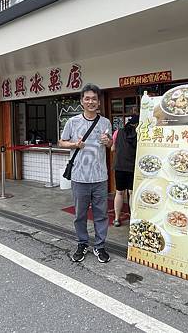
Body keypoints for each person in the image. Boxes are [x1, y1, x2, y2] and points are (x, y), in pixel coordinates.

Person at [59, 84, 113, 263]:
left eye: (94, 99)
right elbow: (61, 142)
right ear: (82, 101)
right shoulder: (72, 122)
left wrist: (108, 141)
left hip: (99, 177)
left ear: (98, 102)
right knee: (80, 214)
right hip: (79, 177)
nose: (91, 102)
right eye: (87, 98)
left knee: (101, 214)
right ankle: (82, 243)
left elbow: (110, 144)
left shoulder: (105, 122)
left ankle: (99, 246)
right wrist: (74, 145)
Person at [112, 114, 138, 227]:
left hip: (120, 166)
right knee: (132, 193)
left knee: (119, 192)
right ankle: (132, 218)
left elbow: (113, 148)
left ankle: (117, 219)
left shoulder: (118, 132)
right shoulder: (140, 133)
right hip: (133, 167)